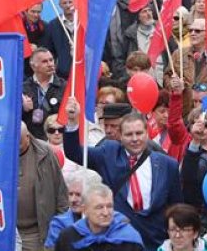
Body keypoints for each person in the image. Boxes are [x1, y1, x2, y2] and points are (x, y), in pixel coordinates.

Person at [62, 100, 184, 250]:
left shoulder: (167, 165)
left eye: (139, 133)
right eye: (129, 134)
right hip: (118, 241)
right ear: (120, 135)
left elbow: (177, 209)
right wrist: (73, 121)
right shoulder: (108, 153)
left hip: (155, 242)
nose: (134, 139)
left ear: (147, 133)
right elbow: (75, 152)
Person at [18, 123, 68, 251]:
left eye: (19, 143)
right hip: (10, 233)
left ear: (28, 137)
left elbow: (61, 193)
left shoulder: (45, 153)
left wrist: (59, 228)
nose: (15, 147)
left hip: (39, 233)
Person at [55, 184, 145, 251]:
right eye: (99, 207)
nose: (106, 213)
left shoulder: (130, 240)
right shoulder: (68, 237)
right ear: (85, 209)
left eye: (109, 206)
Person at [22, 47, 66, 140]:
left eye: (51, 60)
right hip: (33, 141)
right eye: (45, 61)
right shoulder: (23, 88)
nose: (50, 64)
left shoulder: (64, 86)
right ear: (33, 66)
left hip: (58, 140)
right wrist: (23, 108)